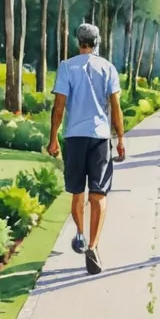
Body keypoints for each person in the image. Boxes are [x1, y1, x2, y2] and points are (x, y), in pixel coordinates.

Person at [48, 23, 125, 275]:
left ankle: (80, 234)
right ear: (97, 42)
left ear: (78, 42)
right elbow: (115, 107)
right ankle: (93, 245)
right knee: (99, 194)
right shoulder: (108, 68)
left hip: (74, 137)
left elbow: (59, 106)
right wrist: (121, 138)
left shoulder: (67, 67)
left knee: (77, 193)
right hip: (101, 137)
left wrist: (53, 138)